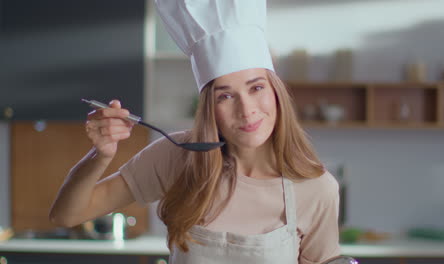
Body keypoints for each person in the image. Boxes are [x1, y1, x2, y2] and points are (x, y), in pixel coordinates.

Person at [49, 0, 341, 263]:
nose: (247, 109)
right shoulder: (177, 157)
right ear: (209, 108)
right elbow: (66, 215)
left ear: (276, 92)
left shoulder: (316, 189)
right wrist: (100, 155)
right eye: (225, 96)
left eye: (256, 88)